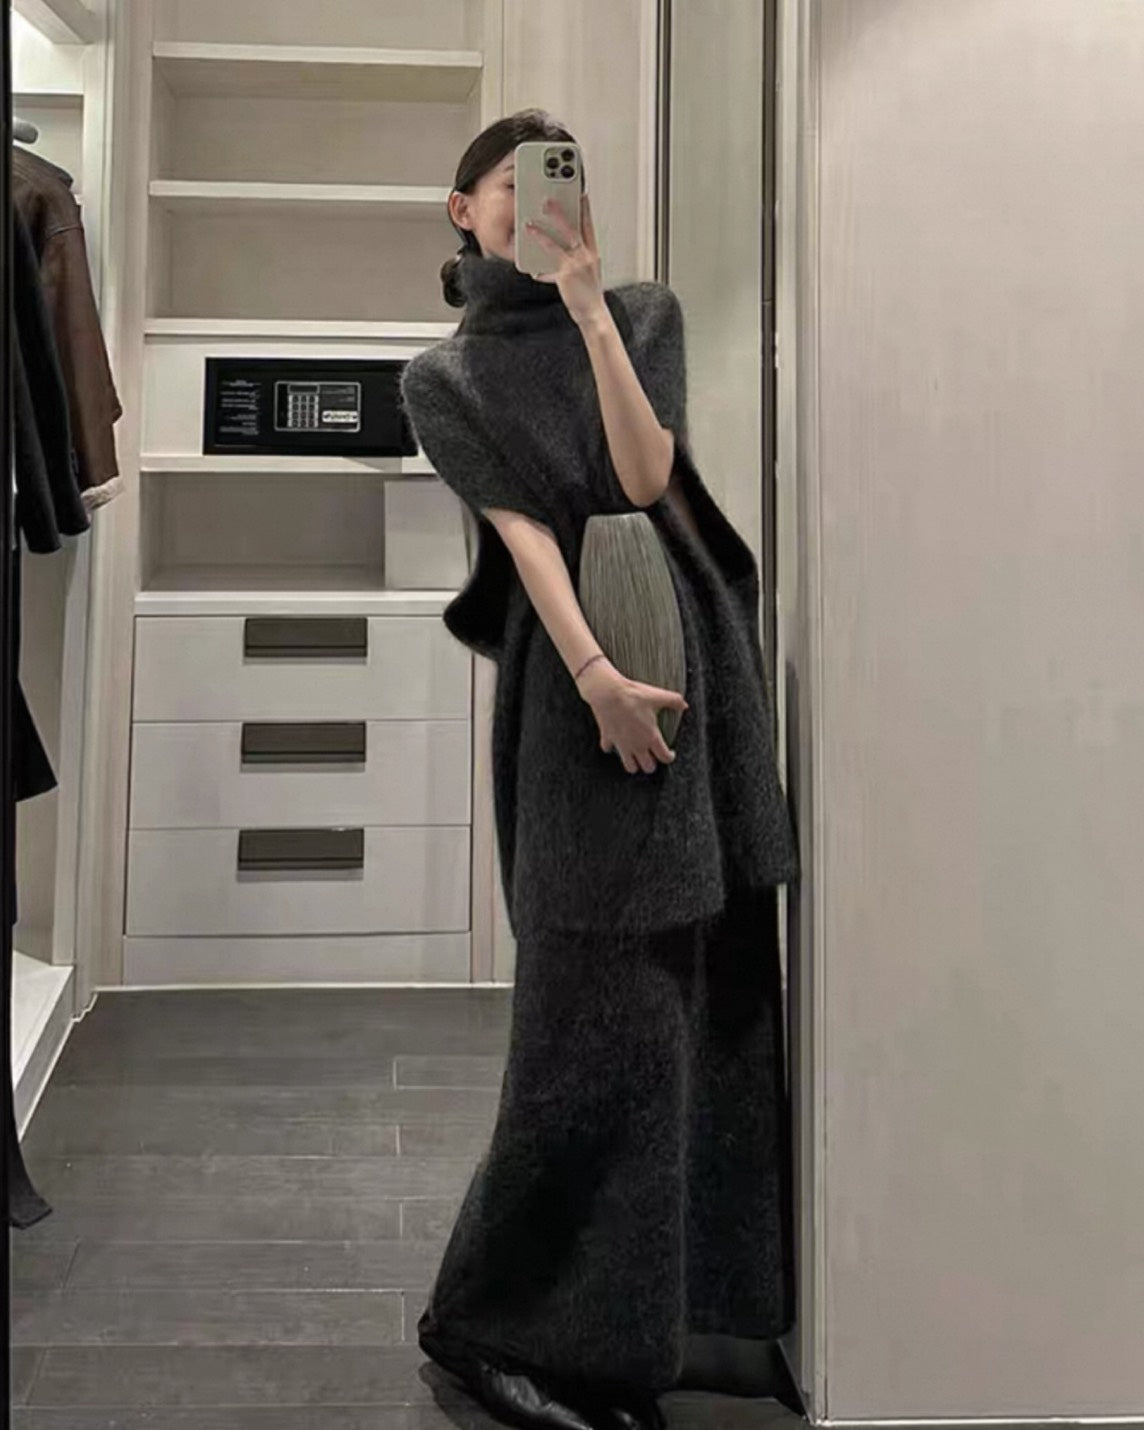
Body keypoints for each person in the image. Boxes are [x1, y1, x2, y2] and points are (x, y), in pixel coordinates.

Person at [398, 109, 801, 1430]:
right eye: (511, 184)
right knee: (584, 1025)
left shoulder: (641, 314)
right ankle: (484, 1324)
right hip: (575, 694)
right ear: (464, 208)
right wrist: (593, 679)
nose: (535, 202)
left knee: (683, 1018)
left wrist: (587, 312)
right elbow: (526, 535)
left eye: (557, 182)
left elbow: (643, 475)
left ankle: (620, 1342)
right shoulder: (443, 378)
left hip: (689, 668)